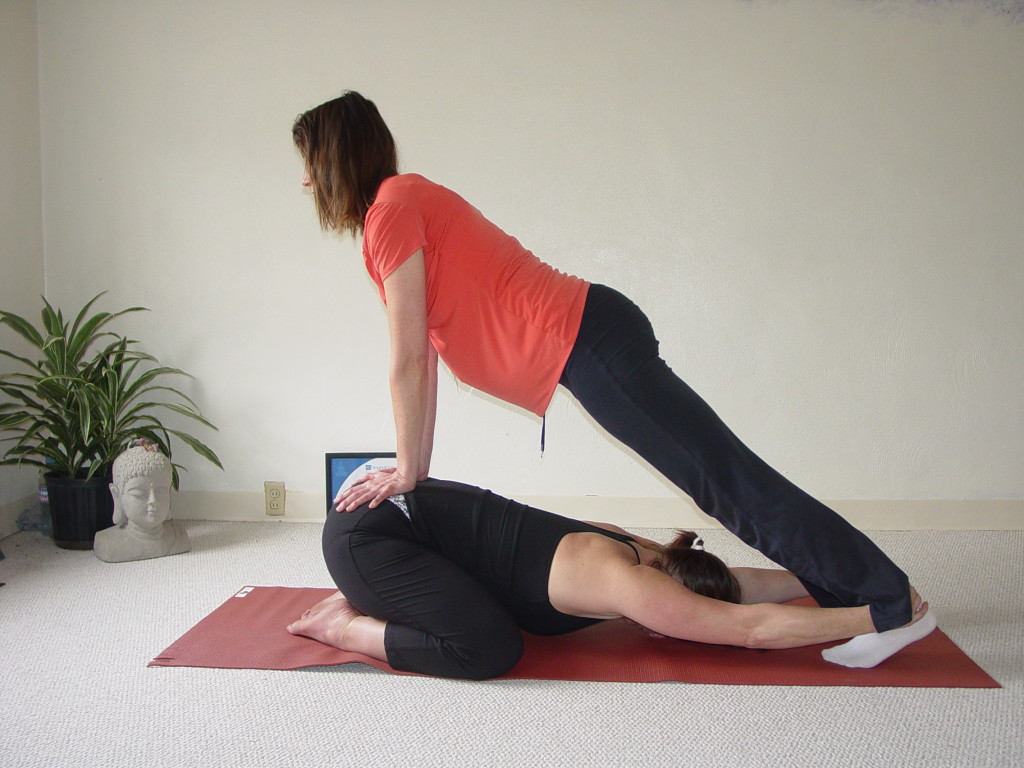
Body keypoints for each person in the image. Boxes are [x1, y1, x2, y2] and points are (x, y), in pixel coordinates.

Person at [292, 91, 929, 667]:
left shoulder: (392, 209)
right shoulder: (401, 204)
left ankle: (886, 602)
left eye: (310, 164)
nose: (306, 181)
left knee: (727, 482)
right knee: (724, 481)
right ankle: (855, 590)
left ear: (335, 159)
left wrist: (407, 471)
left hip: (590, 341)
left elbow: (407, 357)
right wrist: (415, 470)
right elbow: (423, 359)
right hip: (592, 339)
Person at [287, 479, 933, 680]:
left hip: (398, 526)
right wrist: (875, 616)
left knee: (490, 606)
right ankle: (346, 622)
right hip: (367, 535)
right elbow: (750, 627)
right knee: (490, 649)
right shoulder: (630, 585)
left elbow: (739, 587)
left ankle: (381, 589)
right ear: (669, 596)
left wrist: (825, 577)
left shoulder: (648, 552)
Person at [93, 439, 191, 563]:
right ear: (117, 495)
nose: (153, 500)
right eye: (139, 493)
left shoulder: (179, 537)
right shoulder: (108, 543)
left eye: (161, 491)